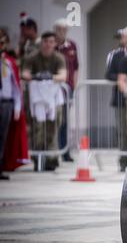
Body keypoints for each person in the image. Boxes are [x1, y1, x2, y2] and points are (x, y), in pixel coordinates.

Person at [22, 31, 67, 171]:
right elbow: (24, 73)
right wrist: (37, 76)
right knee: (37, 129)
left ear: (55, 44)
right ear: (41, 42)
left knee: (53, 129)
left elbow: (63, 75)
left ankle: (51, 159)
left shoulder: (58, 57)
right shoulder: (32, 57)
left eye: (51, 42)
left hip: (54, 100)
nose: (48, 45)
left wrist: (50, 77)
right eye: (46, 41)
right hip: (36, 102)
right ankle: (38, 159)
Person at [106, 26, 127, 171]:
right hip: (121, 98)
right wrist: (123, 79)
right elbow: (109, 74)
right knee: (123, 131)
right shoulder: (115, 55)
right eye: (126, 36)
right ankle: (123, 161)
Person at [0, 35, 26, 180]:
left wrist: (17, 107)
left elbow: (15, 86)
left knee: (3, 137)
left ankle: (1, 167)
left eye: (2, 43)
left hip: (6, 103)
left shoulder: (9, 63)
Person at [54, 18, 79, 162]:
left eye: (64, 30)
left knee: (64, 121)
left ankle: (65, 152)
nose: (62, 32)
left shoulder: (72, 46)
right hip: (51, 90)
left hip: (67, 88)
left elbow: (76, 67)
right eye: (59, 29)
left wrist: (74, 86)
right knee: (51, 121)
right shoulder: (50, 45)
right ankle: (49, 153)